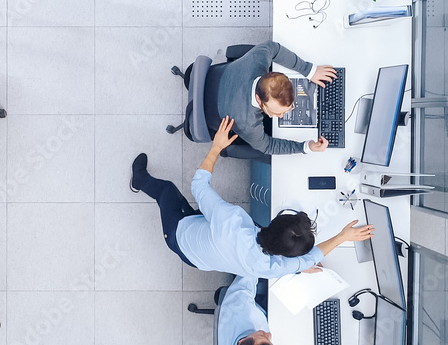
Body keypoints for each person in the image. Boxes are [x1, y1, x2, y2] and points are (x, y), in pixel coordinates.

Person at [130, 116, 374, 278]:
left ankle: (138, 180)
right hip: (202, 256)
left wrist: (216, 147)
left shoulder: (230, 221)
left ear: (277, 221)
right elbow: (310, 259)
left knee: (168, 192)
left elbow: (198, 185)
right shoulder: (273, 268)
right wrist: (342, 237)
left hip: (180, 238)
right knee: (198, 213)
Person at [217, 40, 337, 155]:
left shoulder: (257, 60)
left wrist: (309, 70)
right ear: (259, 99)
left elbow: (273, 47)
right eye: (275, 112)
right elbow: (267, 146)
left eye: (286, 110)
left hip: (217, 75)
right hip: (214, 109)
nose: (281, 116)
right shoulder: (247, 123)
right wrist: (305, 147)